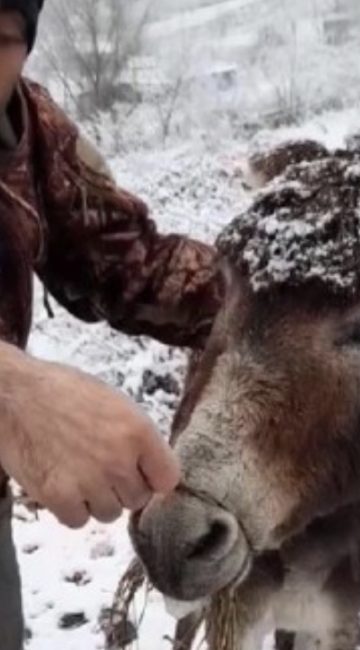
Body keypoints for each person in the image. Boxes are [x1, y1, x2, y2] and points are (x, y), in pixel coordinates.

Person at [0, 1, 222, 646]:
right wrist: (12, 394)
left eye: (2, 35)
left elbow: (129, 263)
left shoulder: (27, 127)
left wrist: (271, 303)